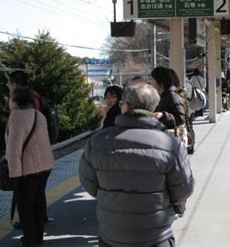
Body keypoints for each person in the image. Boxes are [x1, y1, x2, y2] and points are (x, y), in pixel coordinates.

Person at [79, 83, 194, 247]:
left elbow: (90, 184)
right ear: (153, 107)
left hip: (111, 235)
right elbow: (183, 189)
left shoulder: (96, 142)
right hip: (156, 235)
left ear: (125, 106)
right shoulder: (171, 145)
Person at [5, 88, 54, 247]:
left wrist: (14, 176)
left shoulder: (16, 116)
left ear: (15, 101)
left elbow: (14, 149)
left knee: (25, 208)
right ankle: (38, 239)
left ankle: (29, 241)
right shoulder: (38, 115)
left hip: (28, 170)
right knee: (38, 204)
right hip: (45, 167)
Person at [151, 66, 187, 143]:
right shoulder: (163, 95)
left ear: (160, 81)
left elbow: (180, 119)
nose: (152, 82)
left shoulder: (172, 95)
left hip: (172, 140)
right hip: (165, 138)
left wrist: (163, 115)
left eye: (153, 79)